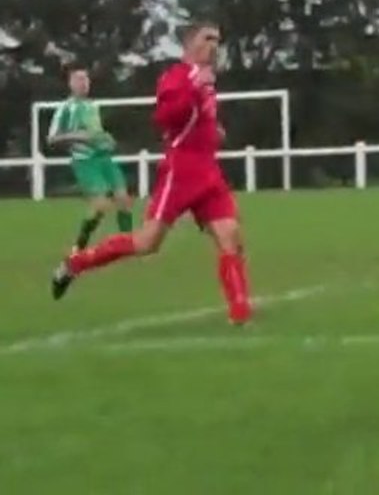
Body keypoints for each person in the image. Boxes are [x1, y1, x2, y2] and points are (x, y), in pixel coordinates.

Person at [50, 22, 252, 325]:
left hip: (208, 172)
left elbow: (199, 119)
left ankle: (240, 314)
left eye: (217, 40)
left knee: (231, 236)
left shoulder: (207, 80)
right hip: (180, 173)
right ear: (189, 45)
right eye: (208, 38)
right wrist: (194, 90)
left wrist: (213, 130)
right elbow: (165, 118)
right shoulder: (176, 77)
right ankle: (76, 263)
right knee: (147, 243)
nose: (214, 45)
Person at [47, 65, 134, 252]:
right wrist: (77, 136)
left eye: (86, 79)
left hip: (104, 159)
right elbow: (52, 138)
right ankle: (79, 244)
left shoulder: (92, 106)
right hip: (85, 162)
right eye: (78, 79)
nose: (83, 83)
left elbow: (96, 134)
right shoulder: (65, 109)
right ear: (70, 83)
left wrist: (107, 140)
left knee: (124, 199)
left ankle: (127, 243)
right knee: (101, 206)